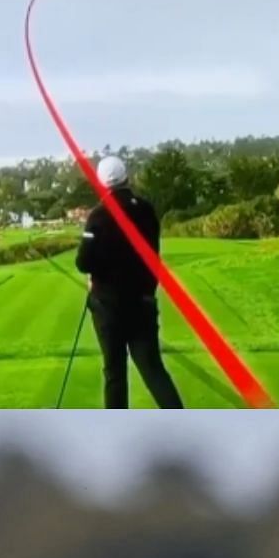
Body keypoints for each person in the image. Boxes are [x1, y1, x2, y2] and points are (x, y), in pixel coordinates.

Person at [73, 155, 184, 409]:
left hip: (107, 306)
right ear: (127, 178)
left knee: (115, 374)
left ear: (102, 184)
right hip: (142, 302)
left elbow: (83, 262)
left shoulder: (98, 216)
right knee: (154, 371)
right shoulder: (146, 210)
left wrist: (99, 271)